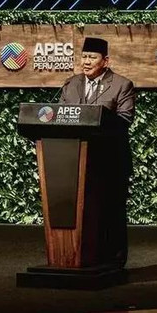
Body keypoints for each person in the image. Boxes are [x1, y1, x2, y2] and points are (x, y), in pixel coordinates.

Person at [58, 36, 135, 269]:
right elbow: (60, 116)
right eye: (84, 57)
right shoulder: (71, 84)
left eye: (92, 57)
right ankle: (83, 257)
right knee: (82, 212)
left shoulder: (122, 85)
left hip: (110, 161)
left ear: (105, 61)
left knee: (111, 211)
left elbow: (124, 119)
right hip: (75, 160)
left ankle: (114, 261)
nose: (86, 61)